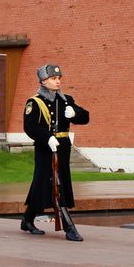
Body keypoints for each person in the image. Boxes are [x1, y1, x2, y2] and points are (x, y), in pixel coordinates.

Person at [22, 64, 89, 241]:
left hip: (63, 146)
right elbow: (29, 127)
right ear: (44, 81)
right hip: (46, 148)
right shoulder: (35, 102)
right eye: (53, 79)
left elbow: (86, 117)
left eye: (59, 78)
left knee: (56, 183)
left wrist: (75, 113)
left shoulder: (66, 99)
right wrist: (46, 137)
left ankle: (27, 220)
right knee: (48, 183)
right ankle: (69, 228)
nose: (58, 81)